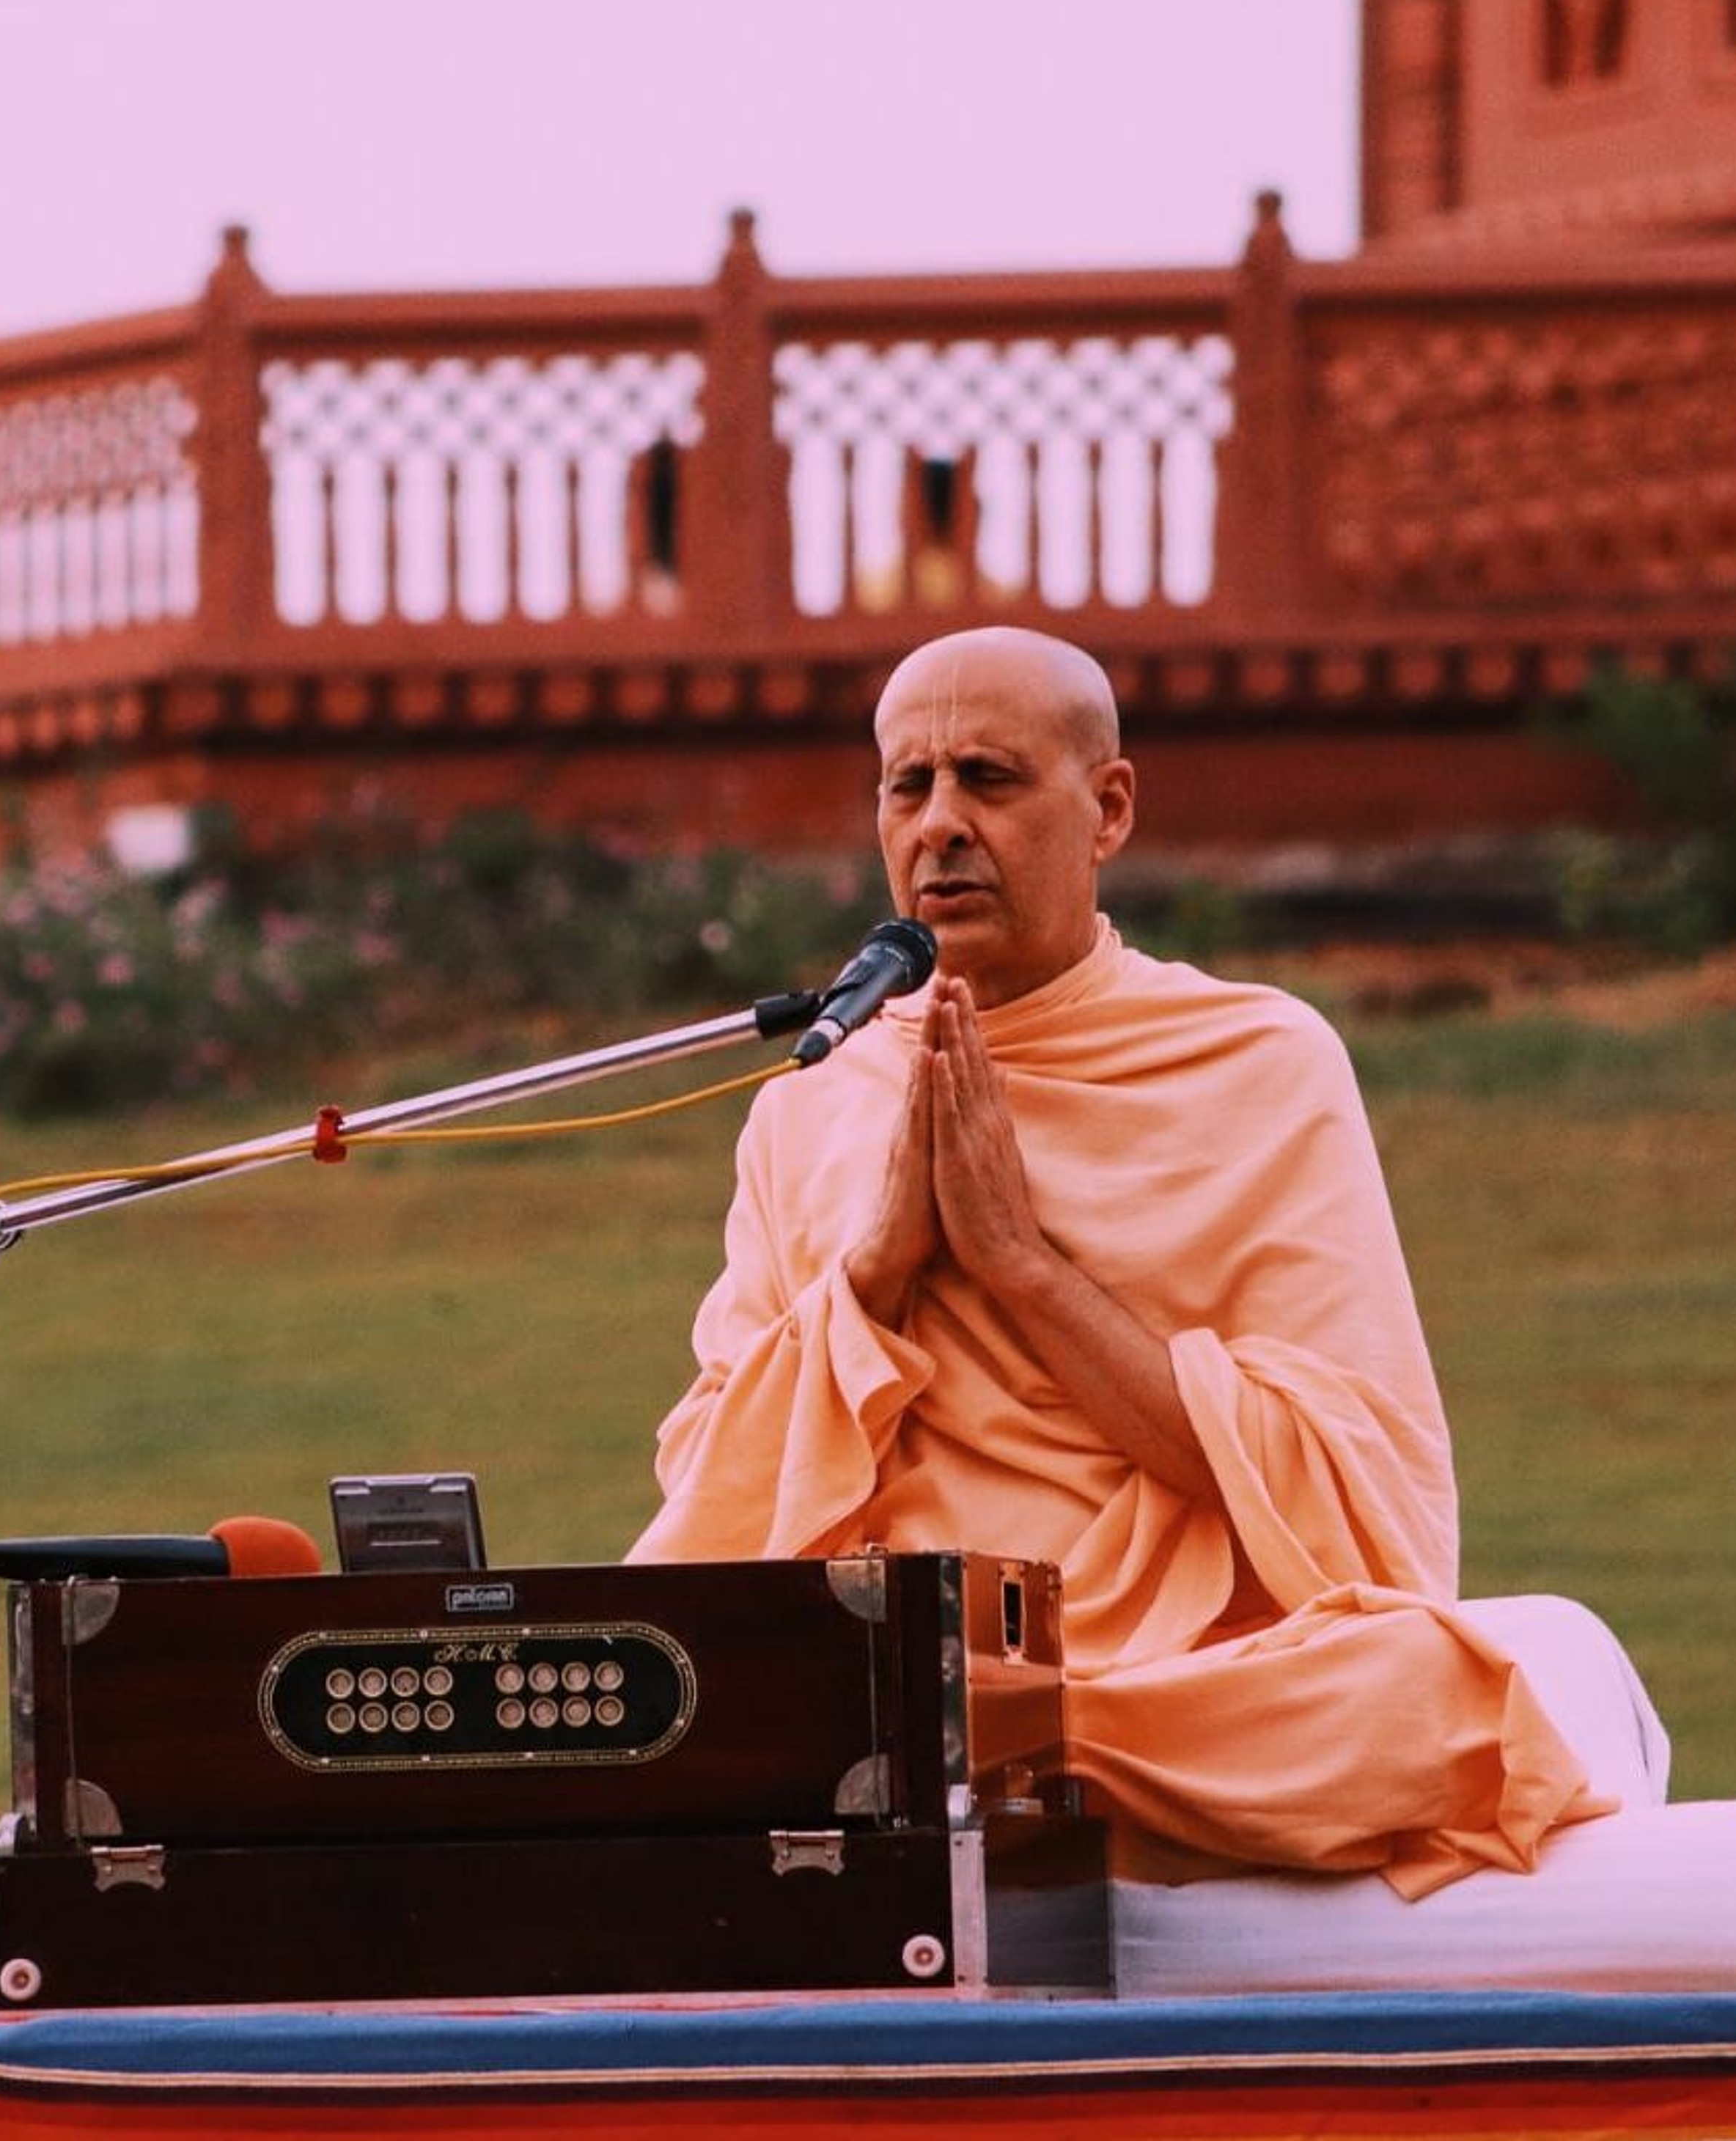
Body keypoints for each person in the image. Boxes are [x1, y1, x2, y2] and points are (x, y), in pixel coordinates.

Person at [630, 625, 1610, 1897]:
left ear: (1108, 811)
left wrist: (1019, 1266)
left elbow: (1357, 1500)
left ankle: (982, 1761)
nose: (941, 826)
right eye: (907, 786)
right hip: (891, 1652)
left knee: (1411, 1686)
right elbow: (712, 1492)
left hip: (1171, 1667)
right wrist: (875, 1277)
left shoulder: (1255, 1061)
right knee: (651, 1672)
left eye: (988, 779)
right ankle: (978, 1760)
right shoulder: (816, 1097)